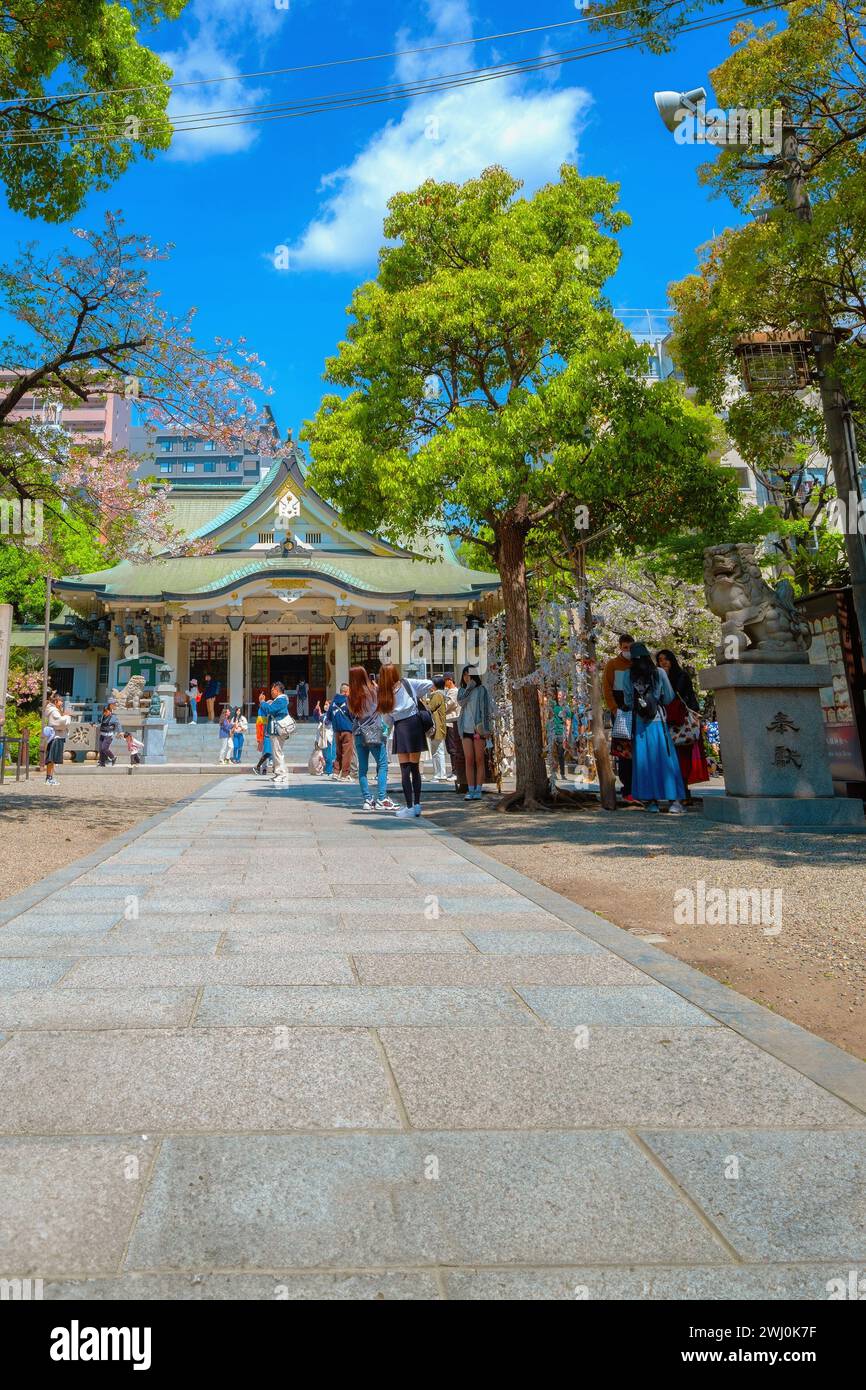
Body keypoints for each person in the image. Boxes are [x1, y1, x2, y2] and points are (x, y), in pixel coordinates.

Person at [621, 643, 686, 814]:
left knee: (644, 761)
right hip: (658, 720)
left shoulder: (628, 675)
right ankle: (675, 801)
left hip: (640, 723)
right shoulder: (659, 673)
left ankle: (651, 802)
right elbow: (669, 697)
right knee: (666, 759)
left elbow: (627, 701)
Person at [377, 663, 433, 818]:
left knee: (405, 769)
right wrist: (417, 695)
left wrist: (384, 733)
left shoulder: (385, 693)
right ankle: (417, 805)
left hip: (400, 728)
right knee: (415, 768)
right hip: (415, 724)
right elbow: (429, 684)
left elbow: (387, 719)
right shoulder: (407, 683)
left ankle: (409, 806)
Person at [657, 649, 710, 801]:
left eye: (666, 659)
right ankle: (676, 791)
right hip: (667, 721)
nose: (663, 662)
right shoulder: (659, 678)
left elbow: (675, 694)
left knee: (683, 757)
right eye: (660, 660)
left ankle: (684, 790)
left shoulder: (681, 676)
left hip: (682, 721)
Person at [347, 665, 398, 811]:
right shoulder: (373, 691)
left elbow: (353, 714)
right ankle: (381, 798)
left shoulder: (351, 697)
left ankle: (367, 800)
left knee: (362, 769)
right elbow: (382, 706)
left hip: (358, 732)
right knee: (382, 765)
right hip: (374, 731)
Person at [603, 634, 634, 802]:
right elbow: (607, 688)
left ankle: (638, 786)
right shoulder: (612, 664)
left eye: (630, 647)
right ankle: (627, 786)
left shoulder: (637, 664)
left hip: (637, 712)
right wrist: (614, 709)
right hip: (620, 712)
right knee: (624, 750)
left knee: (638, 749)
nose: (627, 651)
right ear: (620, 647)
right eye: (625, 647)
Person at [457, 667, 494, 801]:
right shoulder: (462, 690)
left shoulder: (481, 690)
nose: (467, 677)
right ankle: (470, 789)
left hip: (479, 729)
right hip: (465, 728)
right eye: (465, 675)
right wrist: (468, 687)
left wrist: (487, 729)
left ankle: (478, 789)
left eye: (469, 675)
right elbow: (461, 702)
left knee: (479, 759)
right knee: (469, 759)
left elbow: (486, 710)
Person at [259, 681, 291, 786]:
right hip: (276, 729)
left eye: (272, 690)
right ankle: (281, 773)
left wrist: (262, 702)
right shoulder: (280, 700)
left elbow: (271, 710)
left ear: (277, 690)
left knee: (277, 752)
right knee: (278, 752)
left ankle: (280, 774)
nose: (271, 692)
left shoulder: (281, 700)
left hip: (277, 729)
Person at [326, 682, 354, 781]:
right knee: (346, 753)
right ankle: (345, 775)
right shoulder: (348, 701)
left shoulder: (333, 702)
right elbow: (352, 715)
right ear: (346, 692)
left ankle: (336, 772)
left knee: (338, 752)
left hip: (336, 730)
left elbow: (328, 716)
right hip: (347, 729)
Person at [442, 671, 466, 791]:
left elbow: (447, 706)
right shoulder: (449, 692)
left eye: (445, 680)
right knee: (450, 748)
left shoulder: (454, 692)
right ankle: (454, 770)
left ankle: (455, 771)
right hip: (449, 722)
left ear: (450, 680)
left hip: (452, 722)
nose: (444, 682)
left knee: (453, 748)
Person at [44, 695, 71, 786]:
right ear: (55, 702)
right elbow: (60, 723)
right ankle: (49, 778)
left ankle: (50, 777)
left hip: (57, 736)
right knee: (51, 759)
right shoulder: (54, 711)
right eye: (60, 701)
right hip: (55, 736)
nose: (62, 702)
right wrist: (67, 717)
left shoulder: (55, 710)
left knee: (53, 759)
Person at [546, 687, 573, 780]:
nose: (559, 697)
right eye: (558, 695)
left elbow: (568, 722)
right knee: (552, 753)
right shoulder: (553, 706)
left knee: (560, 753)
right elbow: (548, 717)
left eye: (561, 695)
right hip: (552, 732)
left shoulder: (566, 708)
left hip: (561, 732)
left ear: (564, 696)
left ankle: (562, 773)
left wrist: (567, 735)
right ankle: (553, 772)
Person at [426, 676, 449, 781]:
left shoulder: (437, 695)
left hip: (437, 727)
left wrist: (424, 702)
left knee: (438, 751)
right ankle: (438, 773)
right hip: (438, 726)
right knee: (437, 750)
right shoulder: (438, 694)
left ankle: (441, 774)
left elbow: (430, 707)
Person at [97, 700, 121, 769]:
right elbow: (100, 723)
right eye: (104, 712)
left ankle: (113, 757)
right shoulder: (103, 716)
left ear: (108, 711)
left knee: (104, 748)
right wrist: (95, 725)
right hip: (102, 734)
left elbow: (118, 724)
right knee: (101, 749)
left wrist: (120, 732)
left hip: (108, 735)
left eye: (106, 712)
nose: (104, 713)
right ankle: (102, 763)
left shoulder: (113, 716)